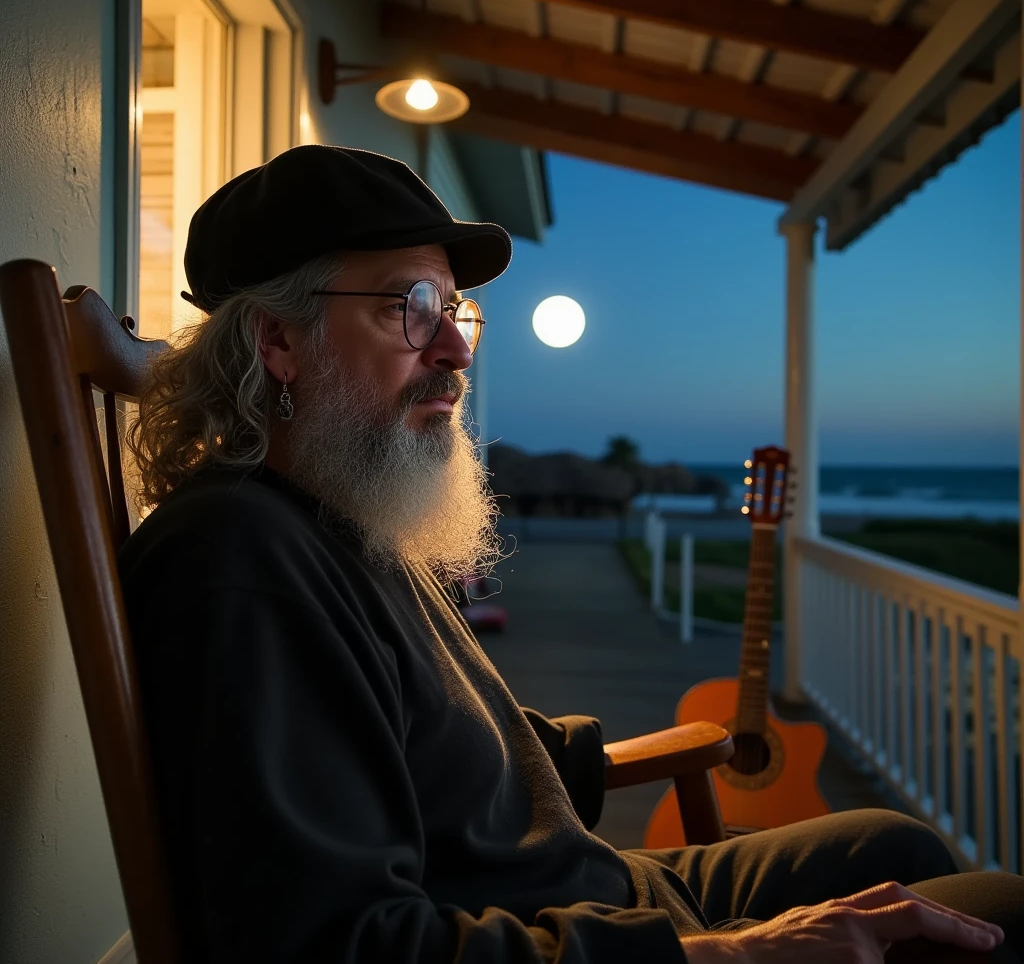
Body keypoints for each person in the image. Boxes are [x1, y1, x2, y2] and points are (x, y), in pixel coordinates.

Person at [119, 145, 1024, 963]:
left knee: (889, 845)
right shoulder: (240, 570)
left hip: (596, 892)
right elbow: (343, 944)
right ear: (278, 340)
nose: (453, 350)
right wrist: (736, 955)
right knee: (998, 911)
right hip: (569, 937)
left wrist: (576, 754)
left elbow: (433, 736)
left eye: (456, 311)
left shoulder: (338, 517)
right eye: (412, 306)